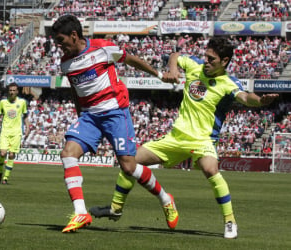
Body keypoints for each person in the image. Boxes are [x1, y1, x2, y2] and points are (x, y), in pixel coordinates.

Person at [90, 37, 279, 239]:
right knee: (130, 160)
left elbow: (245, 97)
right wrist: (172, 69)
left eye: (212, 59)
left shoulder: (228, 83)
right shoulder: (194, 65)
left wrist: (260, 101)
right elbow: (175, 55)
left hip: (203, 140)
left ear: (224, 61)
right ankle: (116, 209)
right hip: (176, 137)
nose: (206, 61)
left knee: (210, 169)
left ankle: (230, 221)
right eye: (206, 56)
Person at [52, 15, 179, 233]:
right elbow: (75, 89)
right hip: (89, 116)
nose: (59, 45)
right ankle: (80, 212)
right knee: (68, 154)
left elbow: (131, 60)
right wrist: (79, 114)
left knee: (128, 167)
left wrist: (159, 74)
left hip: (115, 113)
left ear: (74, 35)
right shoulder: (66, 62)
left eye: (61, 40)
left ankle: (166, 199)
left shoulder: (102, 48)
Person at [0, 82, 30, 184]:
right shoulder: (3, 102)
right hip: (5, 131)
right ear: (8, 91)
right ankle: (0, 172)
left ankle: (5, 178)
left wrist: (27, 127)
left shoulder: (22, 102)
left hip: (16, 132)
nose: (12, 92)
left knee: (11, 155)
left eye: (14, 90)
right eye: (10, 90)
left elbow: (25, 116)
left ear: (17, 91)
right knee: (3, 153)